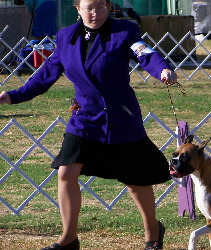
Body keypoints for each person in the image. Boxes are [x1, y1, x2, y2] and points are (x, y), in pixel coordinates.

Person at [0, 0, 178, 249]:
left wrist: (162, 70)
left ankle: (153, 233)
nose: (95, 13)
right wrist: (14, 95)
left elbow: (144, 53)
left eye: (101, 7)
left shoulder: (124, 31)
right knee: (66, 172)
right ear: (78, 9)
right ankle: (69, 239)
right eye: (89, 7)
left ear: (108, 7)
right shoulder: (65, 37)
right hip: (84, 118)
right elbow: (46, 74)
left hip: (121, 118)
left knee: (136, 181)